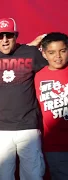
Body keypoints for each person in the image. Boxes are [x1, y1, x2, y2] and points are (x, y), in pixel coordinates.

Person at [0, 18, 48, 180]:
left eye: (9, 35)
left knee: (33, 175)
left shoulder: (31, 53)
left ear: (16, 35)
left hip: (28, 128)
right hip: (0, 129)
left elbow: (51, 72)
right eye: (0, 36)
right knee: (3, 176)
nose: (5, 40)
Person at [35, 32, 68, 180]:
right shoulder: (37, 76)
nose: (58, 56)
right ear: (44, 54)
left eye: (63, 51)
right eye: (52, 52)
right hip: (54, 145)